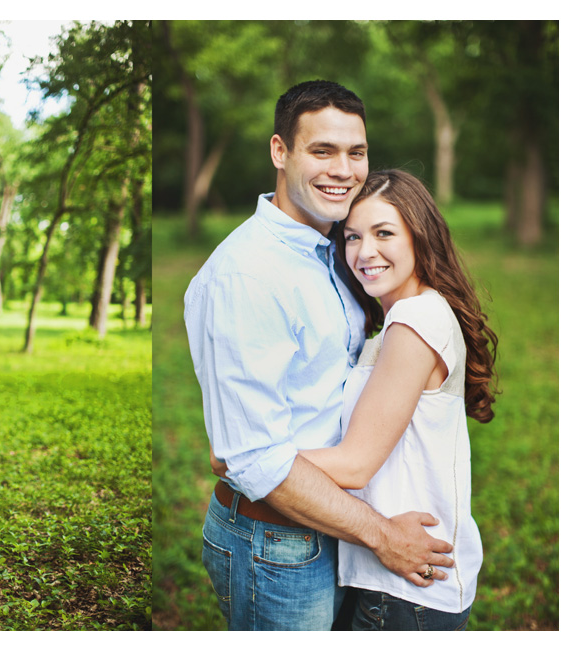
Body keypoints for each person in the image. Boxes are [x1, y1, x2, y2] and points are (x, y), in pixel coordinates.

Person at [184, 80, 454, 631]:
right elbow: (253, 460)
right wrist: (382, 534)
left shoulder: (335, 246)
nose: (344, 169)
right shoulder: (249, 275)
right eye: (322, 151)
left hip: (335, 526)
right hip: (277, 543)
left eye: (356, 152)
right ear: (280, 152)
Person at [296, 169, 498, 630]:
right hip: (395, 582)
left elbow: (354, 464)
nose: (364, 252)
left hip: (405, 595)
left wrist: (249, 455)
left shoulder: (413, 320)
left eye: (383, 233)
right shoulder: (406, 316)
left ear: (419, 237)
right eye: (351, 237)